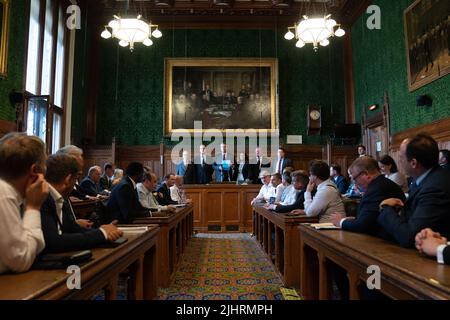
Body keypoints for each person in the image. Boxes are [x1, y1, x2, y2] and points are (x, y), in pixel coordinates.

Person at [378, 134, 450, 248]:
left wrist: (385, 208)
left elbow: (409, 237)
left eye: (401, 158)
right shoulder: (424, 178)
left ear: (413, 163)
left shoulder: (434, 188)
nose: (400, 162)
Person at [40, 154, 122, 253]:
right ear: (68, 179)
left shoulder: (59, 198)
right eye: (75, 179)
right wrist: (102, 233)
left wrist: (102, 231)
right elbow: (54, 242)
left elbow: (71, 228)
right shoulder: (42, 198)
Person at [0, 133, 48, 274]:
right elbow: (21, 260)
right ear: (34, 171)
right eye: (45, 164)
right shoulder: (4, 193)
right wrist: (33, 207)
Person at [330, 156, 405, 237]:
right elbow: (369, 217)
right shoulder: (381, 184)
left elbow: (364, 225)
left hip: (384, 242)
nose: (354, 183)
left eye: (355, 178)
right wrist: (356, 219)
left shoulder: (377, 189)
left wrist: (341, 221)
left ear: (366, 174)